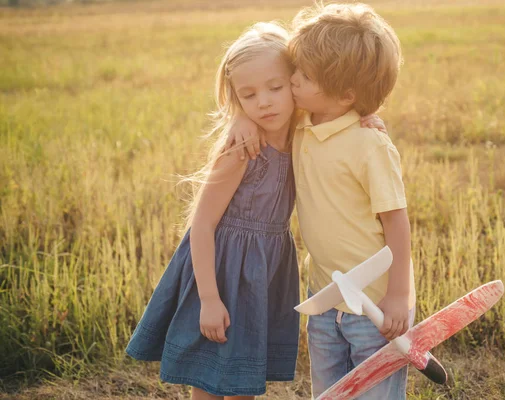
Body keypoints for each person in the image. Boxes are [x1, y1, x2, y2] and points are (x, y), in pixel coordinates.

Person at [229, 3, 416, 399]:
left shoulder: (369, 144)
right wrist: (239, 118)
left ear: (346, 95)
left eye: (304, 75)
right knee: (329, 393)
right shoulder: (302, 125)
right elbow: (261, 107)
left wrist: (399, 294)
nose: (292, 79)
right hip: (326, 299)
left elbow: (397, 222)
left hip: (377, 305)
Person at [125, 22, 301, 400]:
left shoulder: (303, 134)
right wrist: (208, 298)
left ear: (296, 82)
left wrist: (368, 118)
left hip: (264, 273)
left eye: (275, 87)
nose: (265, 102)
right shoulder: (241, 148)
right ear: (236, 98)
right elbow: (202, 224)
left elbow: (337, 113)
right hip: (220, 270)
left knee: (243, 381)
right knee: (207, 375)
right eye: (249, 95)